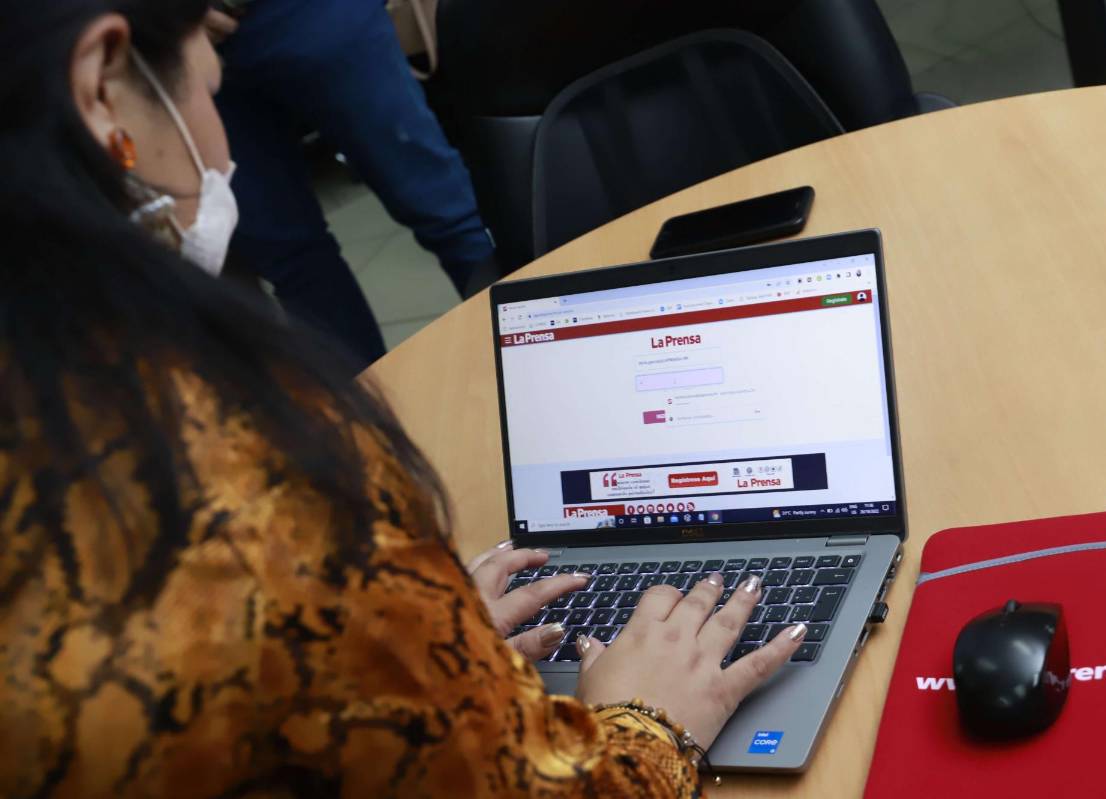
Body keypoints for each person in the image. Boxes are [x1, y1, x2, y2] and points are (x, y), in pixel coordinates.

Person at [0, 2, 808, 797]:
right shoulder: (249, 487)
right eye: (209, 89)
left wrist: (402, 652)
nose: (225, 153)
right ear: (104, 88)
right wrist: (649, 722)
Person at [207, 0, 500, 369]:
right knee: (289, 261)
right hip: (177, 41)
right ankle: (370, 417)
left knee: (444, 209)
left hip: (309, 13)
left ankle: (537, 368)